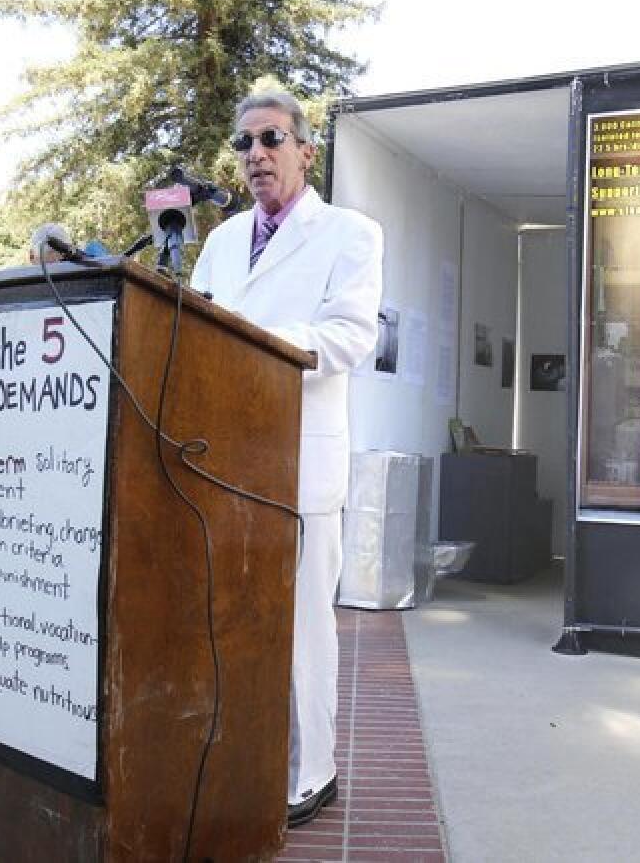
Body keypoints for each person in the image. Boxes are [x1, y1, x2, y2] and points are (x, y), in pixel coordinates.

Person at [190, 89, 383, 827]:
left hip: (299, 460)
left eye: (270, 138)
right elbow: (192, 327)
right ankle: (240, 751)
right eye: (242, 144)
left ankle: (315, 768)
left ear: (307, 149)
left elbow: (347, 338)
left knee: (302, 624)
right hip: (220, 460)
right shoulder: (219, 241)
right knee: (228, 617)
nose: (255, 155)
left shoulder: (351, 234)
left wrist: (248, 347)